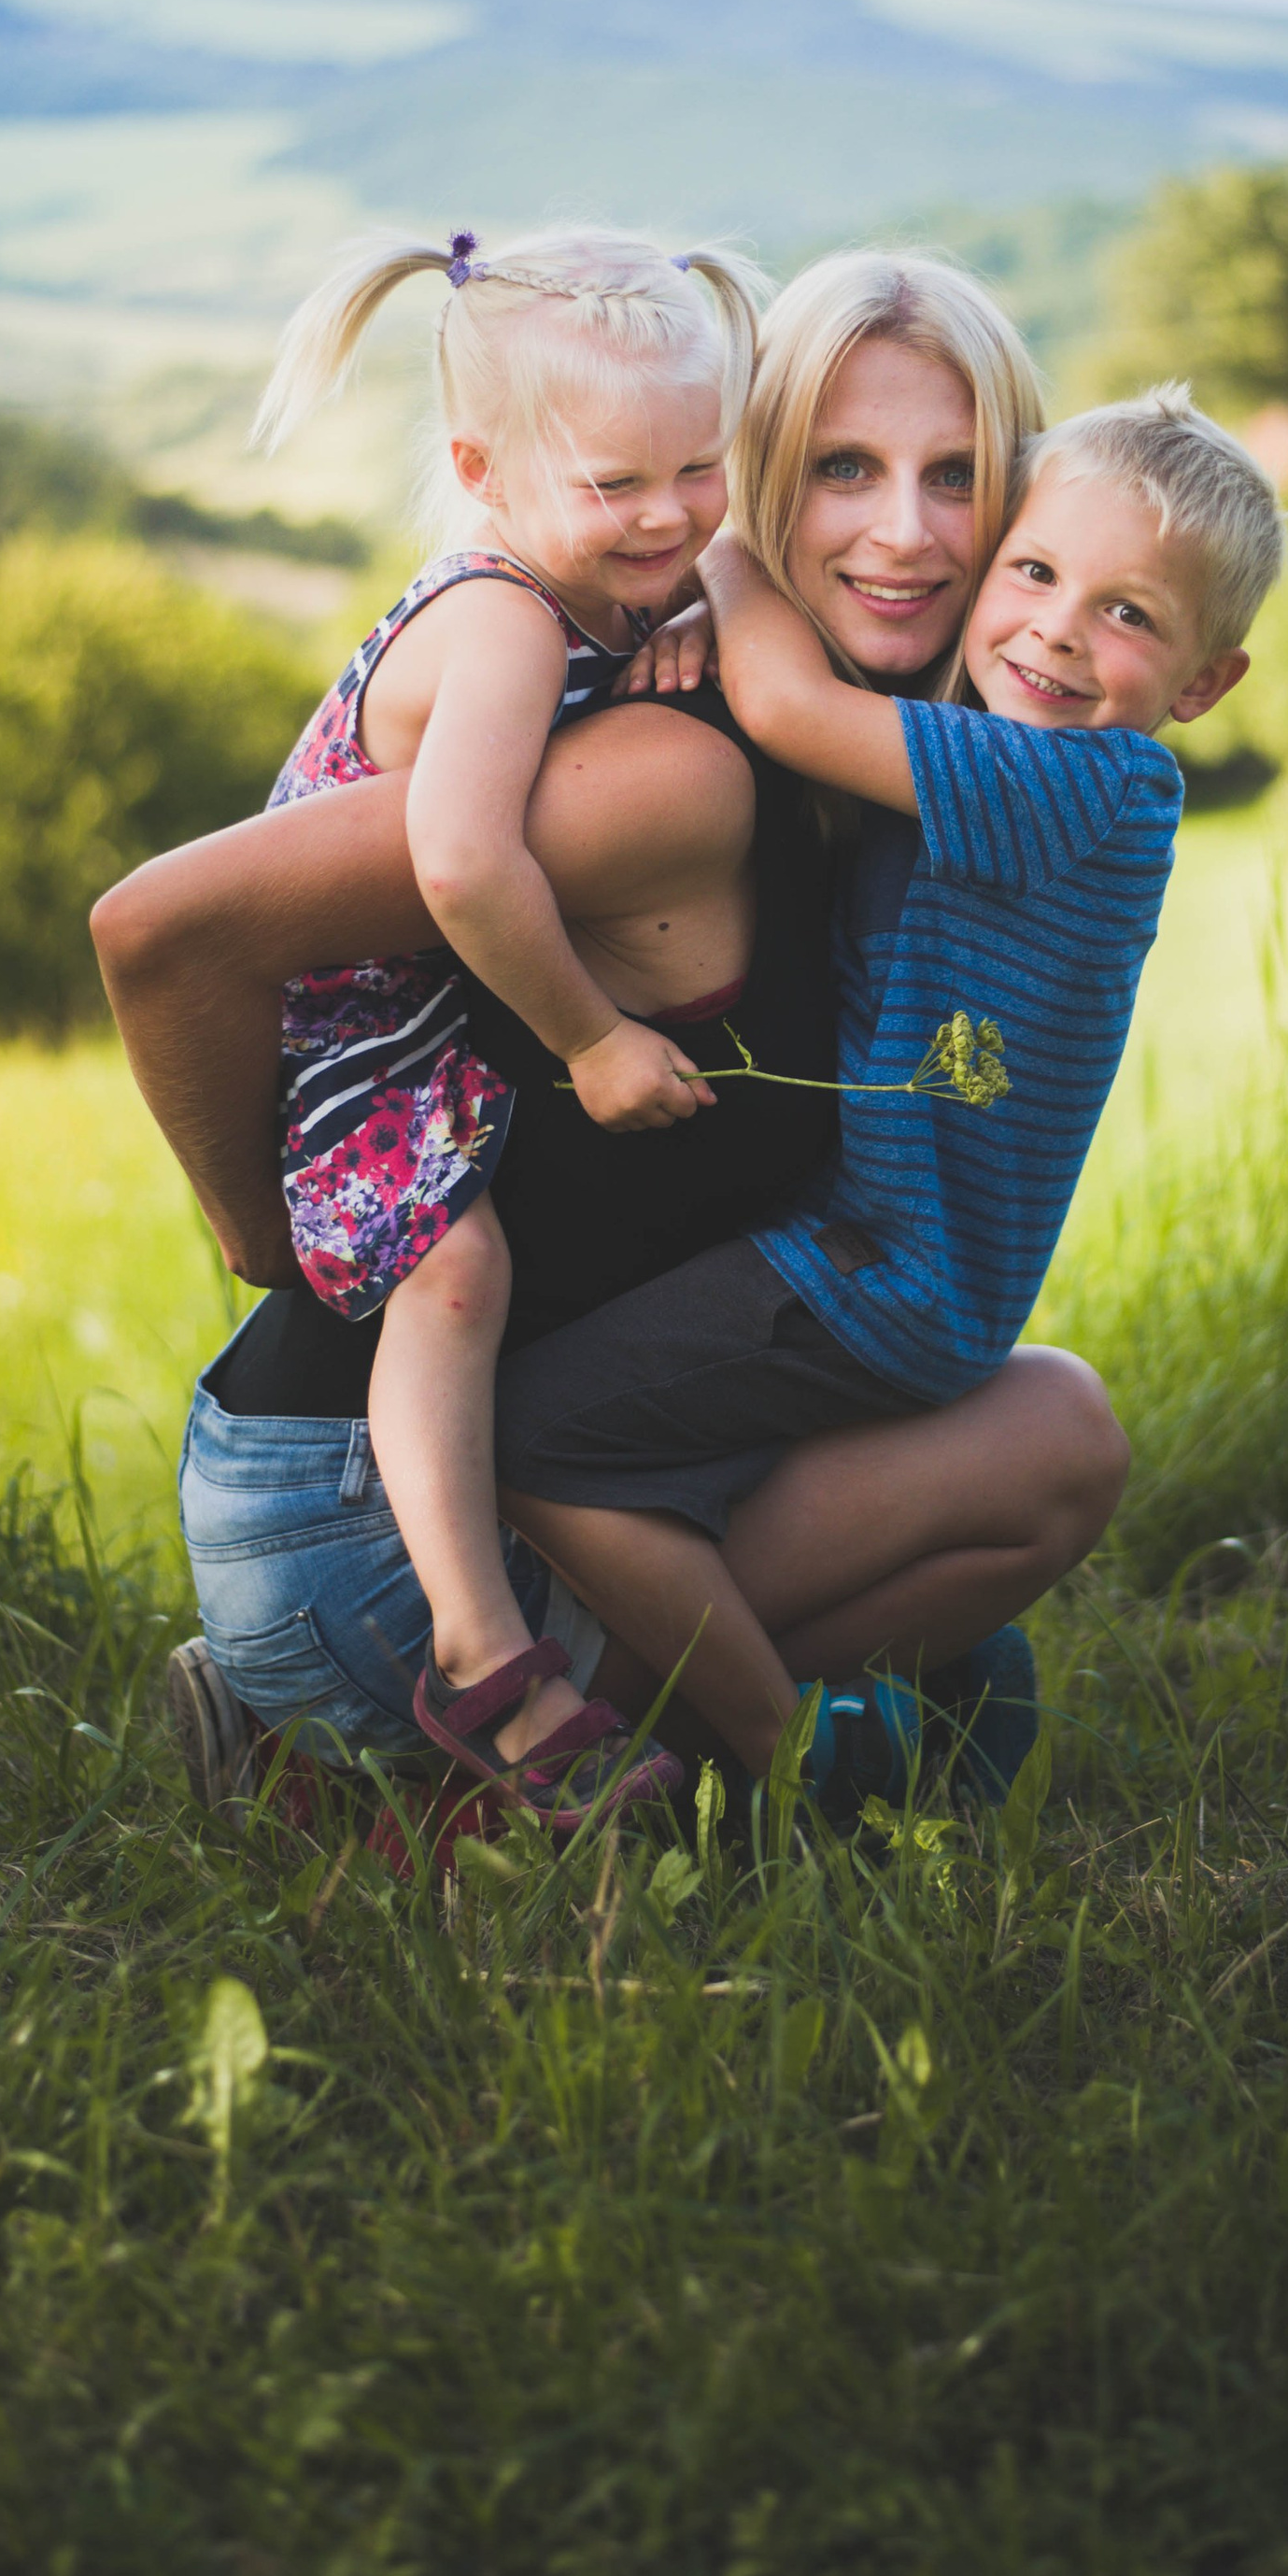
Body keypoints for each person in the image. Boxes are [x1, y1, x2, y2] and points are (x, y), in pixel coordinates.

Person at [91, 252, 1163, 1821]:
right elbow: (159, 932)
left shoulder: (899, 769)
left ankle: (440, 1740)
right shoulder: (677, 771)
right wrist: (268, 1235)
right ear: (757, 493)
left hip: (525, 1435)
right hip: (358, 1502)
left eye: (958, 478)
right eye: (842, 471)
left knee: (1051, 1438)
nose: (907, 532)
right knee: (1002, 1501)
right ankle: (445, 1782)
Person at [475, 380, 1285, 1788]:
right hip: (899, 1270)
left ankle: (789, 1758)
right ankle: (825, 1710)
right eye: (1034, 572)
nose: (1056, 630)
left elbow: (785, 704)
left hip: (876, 1271)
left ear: (1205, 687)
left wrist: (723, 554)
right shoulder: (980, 750)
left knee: (536, 1438)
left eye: (1131, 615)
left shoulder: (1087, 790)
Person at [235, 221, 760, 1825]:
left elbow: (706, 558)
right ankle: (476, 1649)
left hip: (436, 999)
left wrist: (699, 600)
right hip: (361, 1020)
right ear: (480, 466)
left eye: (702, 468)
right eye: (618, 486)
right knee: (456, 1273)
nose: (668, 514)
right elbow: (459, 863)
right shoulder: (505, 618)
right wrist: (597, 1040)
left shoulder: (594, 586)